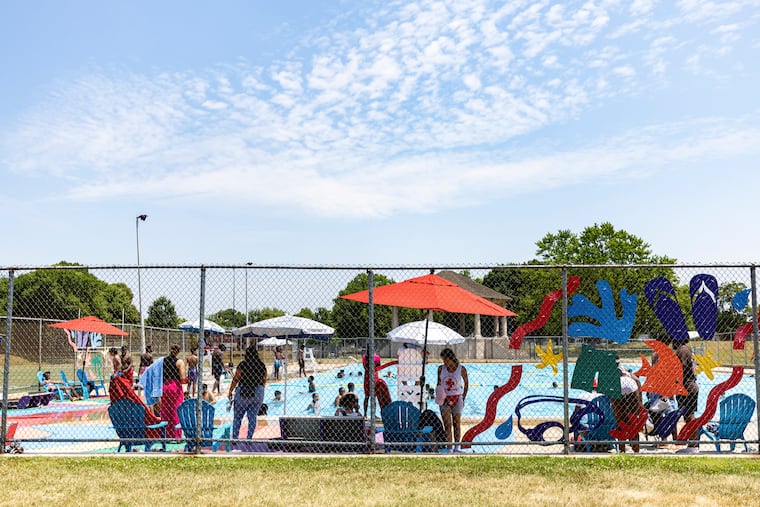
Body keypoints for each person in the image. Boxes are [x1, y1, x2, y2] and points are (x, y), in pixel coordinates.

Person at [228, 345, 267, 442]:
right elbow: (264, 379)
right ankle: (249, 438)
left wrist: (230, 390)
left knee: (237, 417)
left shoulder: (243, 365)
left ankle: (235, 438)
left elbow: (236, 378)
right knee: (252, 416)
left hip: (243, 391)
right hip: (257, 392)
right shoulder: (261, 365)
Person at [437, 347, 468, 451]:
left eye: (446, 360)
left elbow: (466, 384)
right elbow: (439, 383)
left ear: (451, 358)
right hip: (445, 399)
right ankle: (449, 447)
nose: (444, 362)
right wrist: (441, 396)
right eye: (443, 360)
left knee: (456, 423)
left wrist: (463, 397)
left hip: (457, 397)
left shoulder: (461, 369)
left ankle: (457, 447)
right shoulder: (441, 369)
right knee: (447, 424)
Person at [611, 361, 643, 453]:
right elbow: (637, 381)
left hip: (619, 385)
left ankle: (622, 450)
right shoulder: (628, 372)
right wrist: (639, 405)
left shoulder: (610, 372)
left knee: (620, 421)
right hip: (631, 385)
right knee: (633, 421)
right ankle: (636, 449)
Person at [674, 338, 700, 454]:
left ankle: (693, 444)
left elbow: (680, 369)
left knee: (689, 415)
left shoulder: (682, 350)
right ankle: (692, 443)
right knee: (687, 415)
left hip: (687, 386)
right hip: (686, 386)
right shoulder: (685, 349)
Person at [159, 343, 186, 439]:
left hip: (164, 386)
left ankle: (166, 434)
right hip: (175, 386)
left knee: (166, 410)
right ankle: (177, 435)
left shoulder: (162, 361)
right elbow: (182, 378)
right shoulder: (179, 362)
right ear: (178, 352)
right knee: (176, 410)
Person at [362, 346, 392, 414]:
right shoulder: (377, 357)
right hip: (374, 376)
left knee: (366, 396)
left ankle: (365, 414)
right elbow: (379, 367)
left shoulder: (364, 357)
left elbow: (365, 367)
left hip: (367, 377)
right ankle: (373, 414)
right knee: (374, 397)